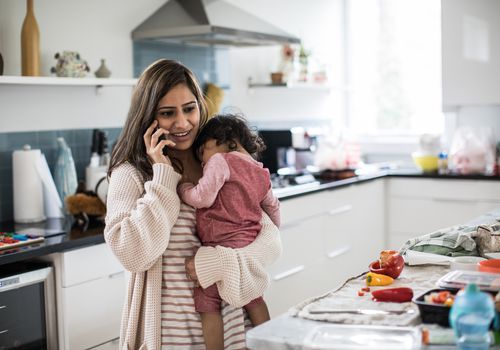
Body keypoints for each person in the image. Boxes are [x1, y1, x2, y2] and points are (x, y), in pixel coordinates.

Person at [104, 59, 281, 350]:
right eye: (167, 113)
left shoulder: (217, 163)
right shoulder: (131, 174)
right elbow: (132, 255)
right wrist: (162, 177)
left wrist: (220, 262)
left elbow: (271, 239)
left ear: (200, 105)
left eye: (189, 108)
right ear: (148, 117)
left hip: (235, 330)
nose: (183, 123)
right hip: (171, 338)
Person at [178, 114, 281, 349]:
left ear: (223, 141)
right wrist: (273, 229)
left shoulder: (220, 161)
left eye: (202, 151)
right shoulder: (260, 171)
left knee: (208, 302)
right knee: (254, 298)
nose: (203, 162)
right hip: (248, 243)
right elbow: (273, 208)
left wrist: (185, 189)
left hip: (221, 245)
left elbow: (202, 198)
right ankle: (271, 343)